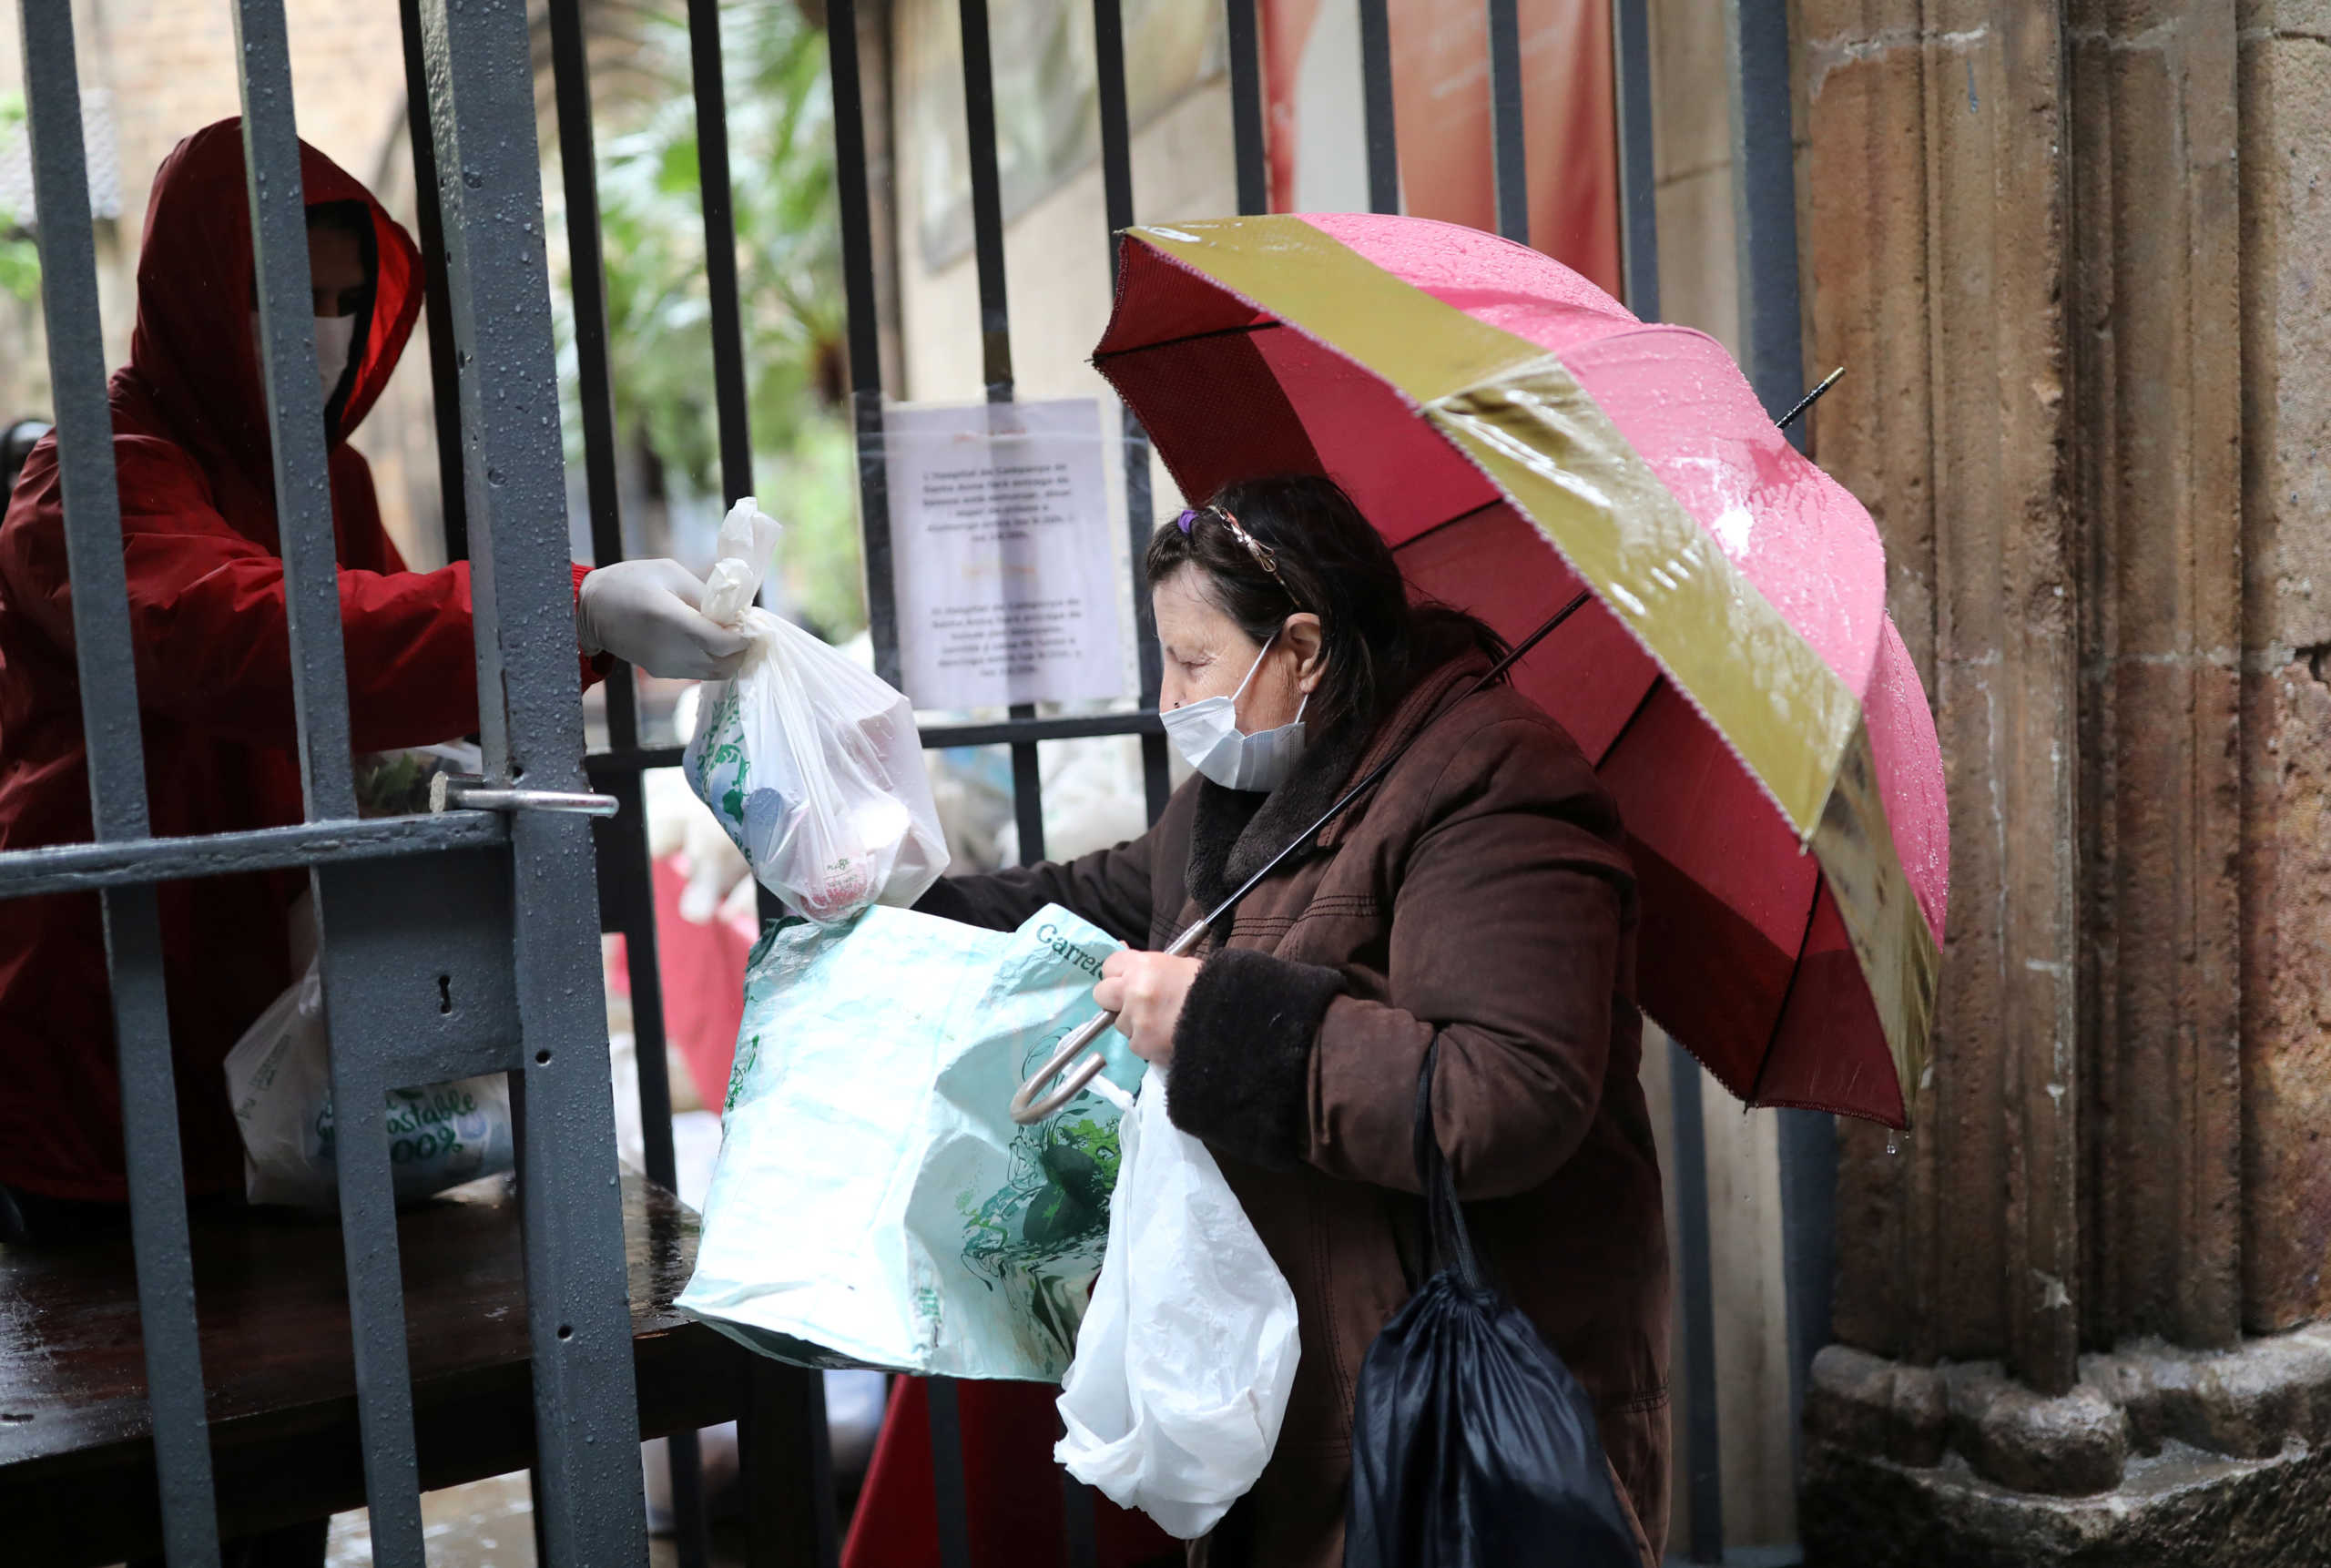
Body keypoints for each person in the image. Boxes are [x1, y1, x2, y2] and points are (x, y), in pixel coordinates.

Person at [0, 117, 747, 1247]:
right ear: (200, 286)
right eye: (287, 294)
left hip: (307, 1035)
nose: (326, 333)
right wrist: (563, 609)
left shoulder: (325, 478)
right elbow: (250, 639)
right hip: (119, 1034)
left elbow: (397, 683)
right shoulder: (91, 479)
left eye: (347, 300)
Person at [915, 474, 1671, 1566]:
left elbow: (1504, 1096)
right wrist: (905, 897)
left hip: (1447, 1416)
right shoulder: (1246, 799)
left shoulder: (1493, 780)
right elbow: (1096, 901)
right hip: (1298, 1406)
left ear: (1303, 649)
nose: (1170, 695)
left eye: (1192, 662)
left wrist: (1216, 1019)